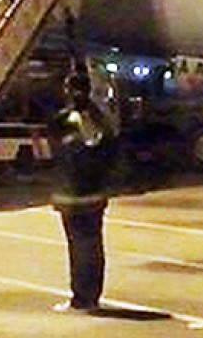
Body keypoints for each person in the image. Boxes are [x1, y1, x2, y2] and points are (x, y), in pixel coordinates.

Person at [48, 66, 120, 314]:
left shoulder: (65, 119)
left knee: (78, 247)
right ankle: (92, 295)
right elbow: (111, 148)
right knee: (93, 246)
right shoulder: (100, 118)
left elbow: (55, 150)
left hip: (73, 195)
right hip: (94, 193)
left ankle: (81, 297)